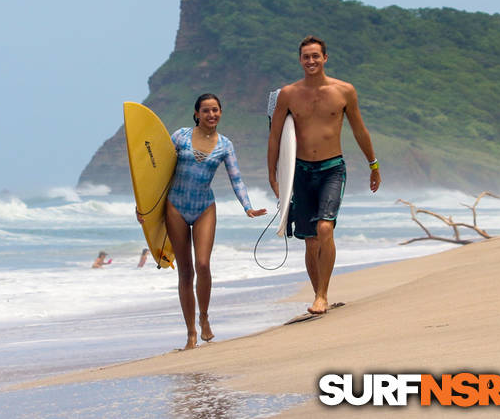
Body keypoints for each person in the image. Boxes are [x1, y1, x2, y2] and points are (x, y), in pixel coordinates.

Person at [267, 36, 381, 315]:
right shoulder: (288, 94)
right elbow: (276, 136)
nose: (311, 61)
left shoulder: (344, 91)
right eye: (306, 56)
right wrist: (273, 174)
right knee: (309, 239)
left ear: (325, 58)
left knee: (325, 228)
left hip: (332, 168)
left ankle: (322, 294)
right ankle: (319, 292)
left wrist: (373, 164)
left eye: (316, 56)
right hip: (301, 171)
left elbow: (359, 130)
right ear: (300, 60)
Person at [154, 93, 267, 350]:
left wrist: (247, 206)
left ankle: (204, 317)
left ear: (220, 113)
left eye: (215, 110)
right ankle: (191, 332)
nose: (211, 114)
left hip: (205, 207)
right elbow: (157, 173)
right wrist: (145, 209)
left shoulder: (225, 145)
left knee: (203, 264)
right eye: (206, 110)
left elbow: (236, 178)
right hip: (176, 207)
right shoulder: (180, 136)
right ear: (197, 114)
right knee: (185, 271)